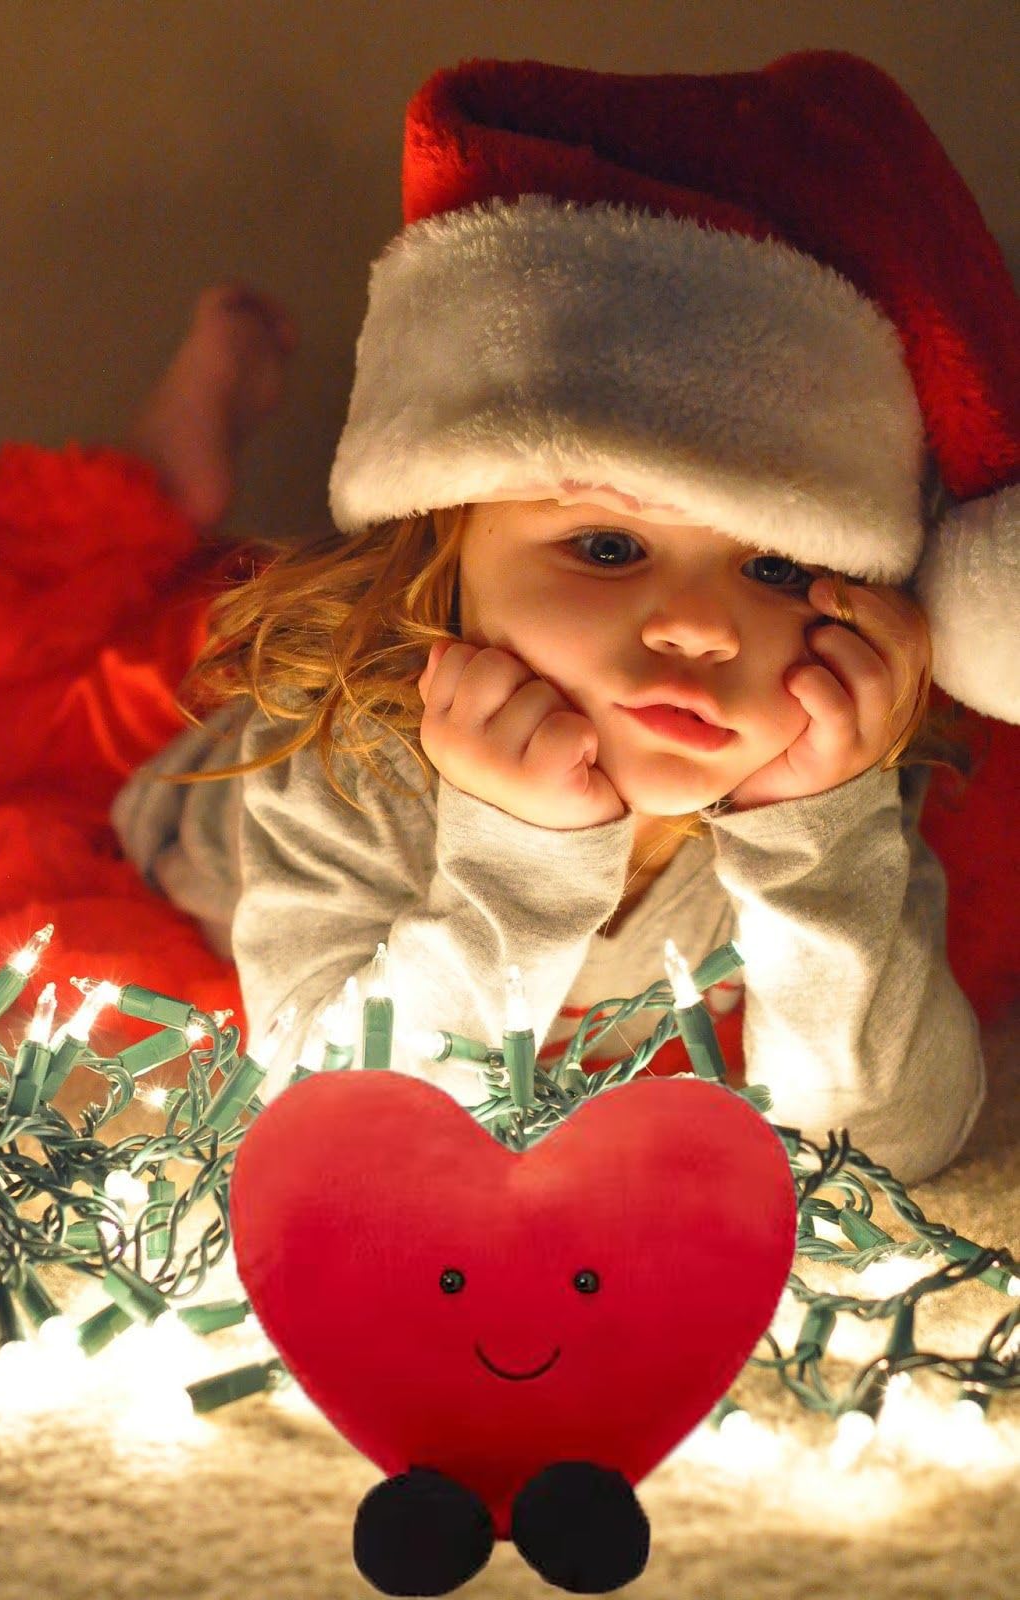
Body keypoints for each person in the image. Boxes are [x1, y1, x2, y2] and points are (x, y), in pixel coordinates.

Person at [110, 51, 1019, 1191]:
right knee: (103, 639)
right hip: (195, 807)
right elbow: (339, 1121)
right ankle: (171, 468)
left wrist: (820, 846)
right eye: (607, 547)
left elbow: (887, 1147)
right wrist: (521, 858)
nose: (699, 630)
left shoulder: (831, 769)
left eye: (778, 565)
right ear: (442, 558)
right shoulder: (348, 759)